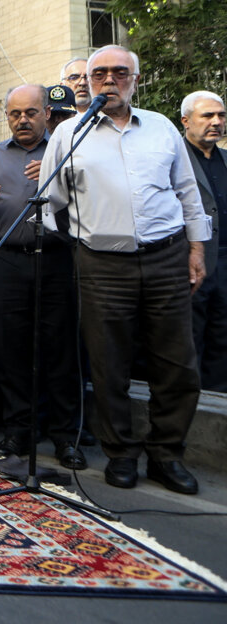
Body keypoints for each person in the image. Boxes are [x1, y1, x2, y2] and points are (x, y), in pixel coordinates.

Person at [40, 45, 209, 494]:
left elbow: (187, 192)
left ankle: (167, 455)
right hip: (101, 263)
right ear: (88, 81)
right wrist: (80, 243)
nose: (109, 80)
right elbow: (49, 204)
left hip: (166, 256)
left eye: (119, 72)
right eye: (99, 74)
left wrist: (196, 249)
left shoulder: (161, 127)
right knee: (108, 364)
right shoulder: (69, 133)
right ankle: (121, 453)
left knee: (177, 364)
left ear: (135, 79)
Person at [0, 85, 84, 469]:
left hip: (56, 259)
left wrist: (58, 176)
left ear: (46, 113)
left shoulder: (64, 152)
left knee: (61, 349)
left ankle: (65, 436)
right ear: (6, 116)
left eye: (30, 112)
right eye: (15, 114)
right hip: (8, 262)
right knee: (12, 349)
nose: (23, 120)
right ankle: (19, 431)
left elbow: (87, 199)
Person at [181, 90, 226, 392]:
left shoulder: (225, 158)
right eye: (207, 115)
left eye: (221, 115)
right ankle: (190, 404)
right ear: (186, 121)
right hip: (191, 262)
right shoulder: (173, 159)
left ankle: (218, 402)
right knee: (190, 337)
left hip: (225, 260)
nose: (216, 122)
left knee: (223, 338)